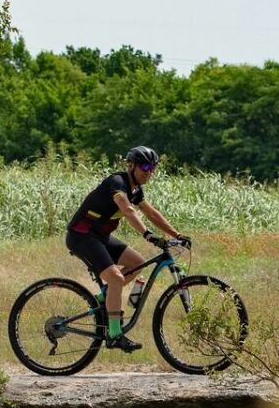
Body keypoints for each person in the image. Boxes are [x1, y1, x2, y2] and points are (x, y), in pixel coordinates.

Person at [65, 147, 189, 352]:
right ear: (131, 166)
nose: (149, 172)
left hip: (100, 237)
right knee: (116, 278)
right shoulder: (118, 183)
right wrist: (147, 234)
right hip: (81, 236)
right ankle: (114, 335)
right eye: (145, 167)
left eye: (153, 168)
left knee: (137, 262)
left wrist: (177, 235)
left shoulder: (136, 190)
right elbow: (128, 210)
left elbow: (151, 213)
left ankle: (104, 299)